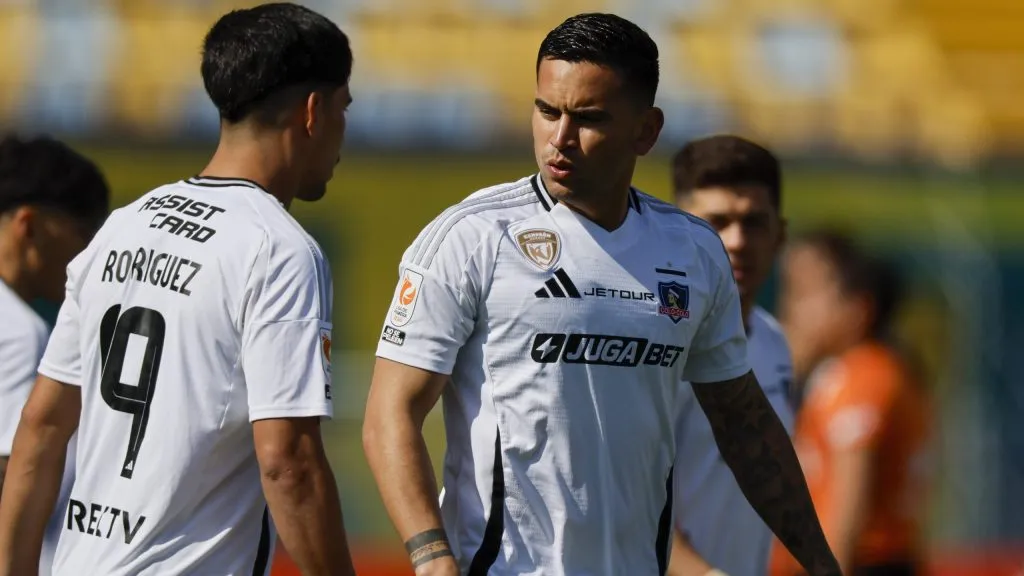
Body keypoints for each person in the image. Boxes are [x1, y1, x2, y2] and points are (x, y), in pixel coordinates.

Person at [363, 13, 839, 576]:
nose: (559, 138)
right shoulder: (473, 236)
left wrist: (821, 564)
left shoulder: (691, 250)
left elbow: (743, 422)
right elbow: (390, 414)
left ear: (646, 130)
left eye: (588, 118)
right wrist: (431, 555)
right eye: (547, 111)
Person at [0, 3, 356, 575]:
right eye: (343, 109)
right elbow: (288, 463)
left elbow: (41, 425)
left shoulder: (123, 225)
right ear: (314, 113)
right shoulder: (279, 250)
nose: (343, 131)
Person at [667, 135, 796, 576]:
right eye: (716, 222)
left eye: (754, 222)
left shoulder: (774, 342)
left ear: (780, 235)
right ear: (677, 231)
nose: (737, 241)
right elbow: (618, 499)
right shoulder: (657, 348)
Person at [769, 230, 932, 576]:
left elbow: (848, 509)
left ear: (857, 309)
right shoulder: (852, 372)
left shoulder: (861, 377)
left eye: (804, 295)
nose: (790, 310)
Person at [0, 135, 110, 576]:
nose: (88, 255)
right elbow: (10, 479)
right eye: (83, 234)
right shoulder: (18, 331)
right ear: (29, 224)